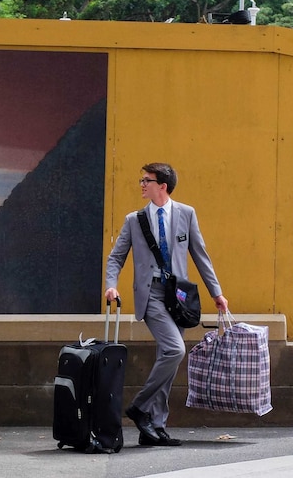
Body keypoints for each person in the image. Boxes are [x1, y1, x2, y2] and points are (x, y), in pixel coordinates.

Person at [104, 162, 228, 447]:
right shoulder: (134, 220)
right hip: (151, 296)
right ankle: (139, 407)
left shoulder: (186, 214)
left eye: (146, 180)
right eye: (142, 180)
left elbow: (200, 255)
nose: (141, 185)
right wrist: (111, 284)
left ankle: (154, 427)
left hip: (178, 298)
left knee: (168, 359)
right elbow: (116, 257)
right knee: (175, 349)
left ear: (163, 185)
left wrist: (216, 292)